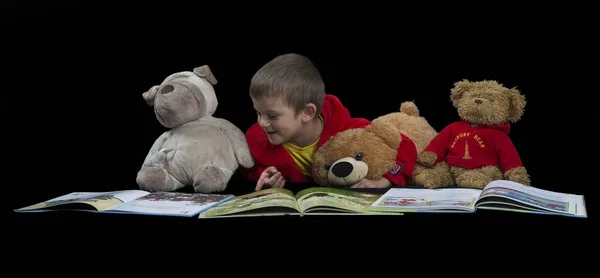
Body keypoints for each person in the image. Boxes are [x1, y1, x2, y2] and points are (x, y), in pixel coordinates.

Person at [242, 53, 418, 191]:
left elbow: (405, 146)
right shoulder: (258, 138)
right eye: (258, 113)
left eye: (272, 116)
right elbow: (249, 168)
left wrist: (386, 180)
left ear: (307, 112)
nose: (262, 123)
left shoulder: (350, 131)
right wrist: (263, 176)